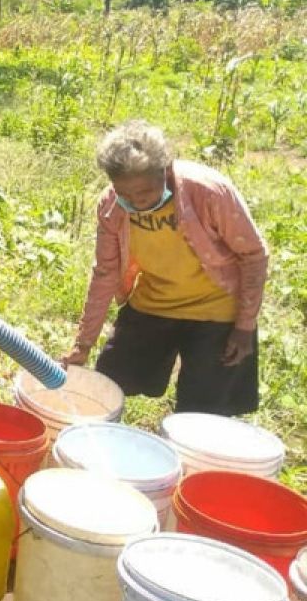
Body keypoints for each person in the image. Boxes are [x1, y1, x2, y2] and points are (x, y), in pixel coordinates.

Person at [61, 121, 268, 416]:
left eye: (144, 191)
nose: (136, 202)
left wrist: (244, 327)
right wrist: (82, 345)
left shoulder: (208, 191)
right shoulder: (112, 206)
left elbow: (254, 255)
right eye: (125, 194)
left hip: (217, 308)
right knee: (107, 382)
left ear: (165, 170)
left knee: (203, 410)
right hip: (154, 302)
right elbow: (105, 273)